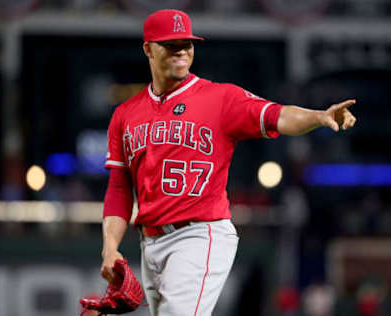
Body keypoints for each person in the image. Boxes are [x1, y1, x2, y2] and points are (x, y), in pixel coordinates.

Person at [99, 9, 357, 316]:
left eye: (187, 43)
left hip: (199, 234)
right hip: (150, 242)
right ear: (148, 49)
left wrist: (318, 116)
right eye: (171, 44)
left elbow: (278, 115)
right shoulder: (125, 115)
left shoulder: (220, 98)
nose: (182, 50)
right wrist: (110, 246)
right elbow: (119, 189)